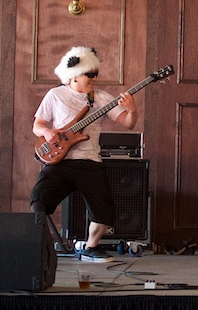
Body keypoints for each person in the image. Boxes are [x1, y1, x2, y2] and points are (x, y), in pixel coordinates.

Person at [30, 46, 139, 262]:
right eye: (88, 74)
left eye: (95, 74)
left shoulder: (100, 98)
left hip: (90, 162)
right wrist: (48, 132)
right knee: (39, 201)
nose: (93, 78)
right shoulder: (55, 95)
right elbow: (38, 125)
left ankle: (90, 247)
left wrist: (132, 110)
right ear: (73, 75)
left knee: (105, 214)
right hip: (61, 161)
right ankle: (40, 246)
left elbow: (127, 123)